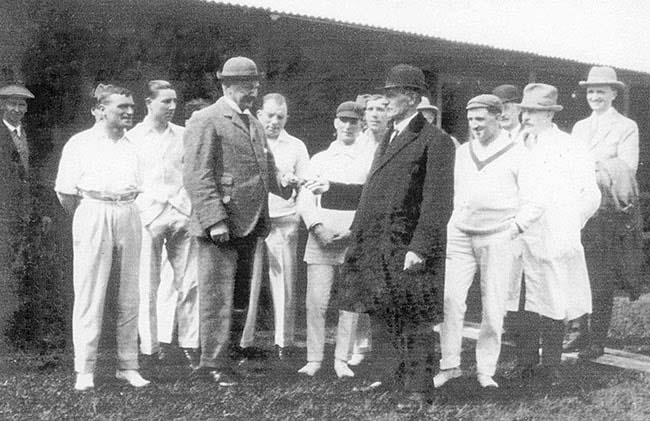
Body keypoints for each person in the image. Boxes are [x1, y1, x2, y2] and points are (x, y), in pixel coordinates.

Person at [336, 64, 455, 408]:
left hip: (408, 247)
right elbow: (376, 190)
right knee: (382, 313)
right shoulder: (388, 137)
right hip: (378, 245)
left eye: (392, 94)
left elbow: (438, 203)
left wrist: (420, 247)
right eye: (384, 93)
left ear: (414, 98)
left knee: (415, 319)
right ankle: (387, 378)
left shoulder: (436, 141)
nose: (385, 100)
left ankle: (419, 391)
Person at [183, 56, 295, 386]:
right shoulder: (206, 119)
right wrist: (215, 219)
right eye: (248, 86)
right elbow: (197, 175)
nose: (254, 92)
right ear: (226, 86)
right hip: (222, 224)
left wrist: (284, 182)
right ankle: (211, 364)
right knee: (216, 298)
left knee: (238, 299)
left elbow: (265, 168)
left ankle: (226, 358)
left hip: (250, 223)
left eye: (256, 85)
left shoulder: (253, 124)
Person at [433, 94, 544, 389]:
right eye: (470, 120)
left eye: (481, 119)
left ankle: (485, 370)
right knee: (450, 299)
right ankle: (450, 365)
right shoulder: (462, 152)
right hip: (460, 234)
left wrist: (514, 228)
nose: (474, 125)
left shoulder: (519, 153)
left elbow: (536, 201)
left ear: (498, 116)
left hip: (498, 236)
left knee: (493, 308)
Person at [55, 84, 149, 391]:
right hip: (93, 210)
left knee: (130, 294)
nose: (129, 112)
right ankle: (85, 369)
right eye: (122, 107)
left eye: (131, 106)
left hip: (128, 212)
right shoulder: (79, 143)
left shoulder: (133, 145)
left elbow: (140, 185)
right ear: (100, 110)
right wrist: (91, 216)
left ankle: (128, 365)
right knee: (90, 294)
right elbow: (65, 193)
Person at [509, 83, 600, 383]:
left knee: (553, 297)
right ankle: (524, 360)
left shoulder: (568, 145)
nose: (527, 117)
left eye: (535, 111)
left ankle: (550, 363)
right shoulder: (515, 143)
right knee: (522, 299)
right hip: (519, 232)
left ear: (549, 113)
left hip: (553, 233)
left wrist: (570, 223)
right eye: (525, 111)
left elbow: (589, 193)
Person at [569, 66, 642, 359]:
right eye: (591, 91)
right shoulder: (579, 128)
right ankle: (578, 330)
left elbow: (626, 168)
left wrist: (588, 169)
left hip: (606, 213)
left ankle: (597, 339)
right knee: (576, 273)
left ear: (613, 93)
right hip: (577, 211)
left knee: (600, 277)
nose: (595, 96)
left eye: (601, 90)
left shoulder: (626, 127)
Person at [295, 101, 373, 377]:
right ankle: (314, 359)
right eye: (344, 120)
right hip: (322, 237)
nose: (349, 126)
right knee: (317, 301)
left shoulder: (370, 159)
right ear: (335, 123)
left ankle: (342, 359)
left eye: (354, 121)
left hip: (352, 236)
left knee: (349, 301)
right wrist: (317, 228)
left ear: (361, 124)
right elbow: (306, 198)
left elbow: (369, 200)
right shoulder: (319, 159)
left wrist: (353, 231)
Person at [128, 80, 199, 368]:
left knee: (190, 282)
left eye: (174, 101)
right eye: (165, 101)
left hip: (182, 213)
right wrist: (145, 205)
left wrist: (185, 203)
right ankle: (150, 346)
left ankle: (190, 344)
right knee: (148, 283)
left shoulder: (184, 135)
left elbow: (193, 172)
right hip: (148, 215)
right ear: (149, 103)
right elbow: (130, 177)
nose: (171, 107)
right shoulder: (133, 137)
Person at [237, 93, 310, 359]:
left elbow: (307, 184)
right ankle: (244, 343)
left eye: (280, 117)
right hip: (253, 222)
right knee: (250, 284)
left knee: (285, 284)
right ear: (259, 114)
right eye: (270, 115)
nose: (275, 121)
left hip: (284, 220)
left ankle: (284, 343)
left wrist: (298, 214)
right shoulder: (248, 140)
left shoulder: (296, 146)